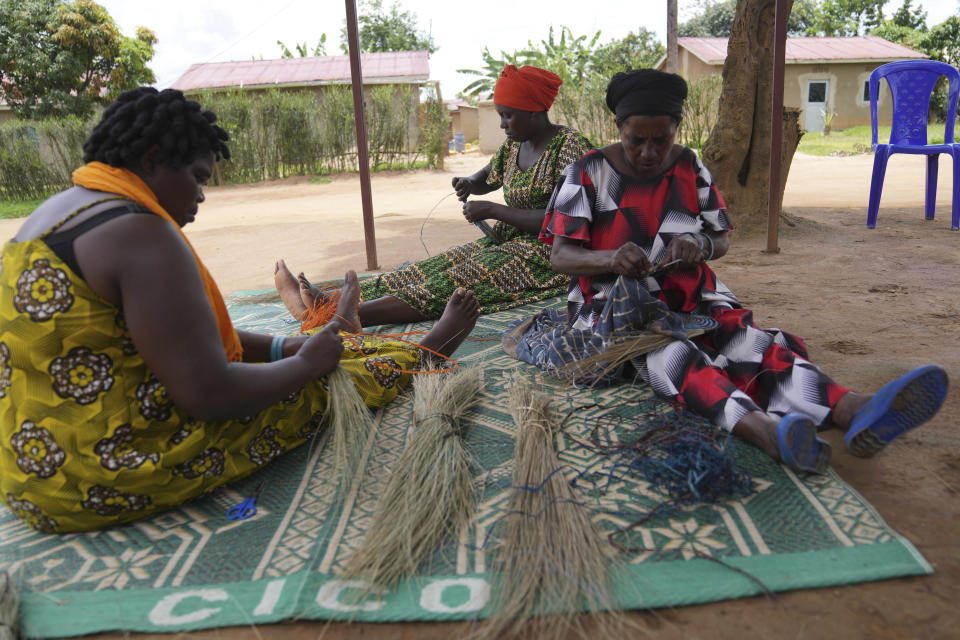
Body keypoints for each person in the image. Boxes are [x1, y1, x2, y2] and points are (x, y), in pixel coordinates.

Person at [0, 87, 480, 533]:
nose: (202, 196)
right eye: (197, 178)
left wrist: (283, 345)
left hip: (30, 472)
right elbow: (210, 395)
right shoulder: (141, 234)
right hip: (103, 474)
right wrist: (302, 366)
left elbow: (169, 338)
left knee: (305, 354)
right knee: (322, 386)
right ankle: (426, 351)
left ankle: (337, 331)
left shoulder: (57, 212)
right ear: (151, 160)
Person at [526, 69, 948, 473]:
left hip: (689, 295)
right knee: (671, 353)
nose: (649, 152)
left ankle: (853, 408)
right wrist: (609, 259)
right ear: (618, 129)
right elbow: (560, 256)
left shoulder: (689, 167)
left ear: (677, 127)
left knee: (749, 342)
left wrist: (701, 244)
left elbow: (721, 238)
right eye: (637, 140)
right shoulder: (588, 172)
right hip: (613, 308)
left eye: (662, 139)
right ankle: (765, 431)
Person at [274, 64, 593, 328]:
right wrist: (469, 183)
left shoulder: (570, 148)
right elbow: (487, 176)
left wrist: (494, 210)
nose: (502, 124)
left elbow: (565, 222)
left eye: (508, 115)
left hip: (551, 256)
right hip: (508, 239)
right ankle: (329, 300)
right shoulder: (514, 145)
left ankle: (342, 316)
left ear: (535, 111)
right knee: (432, 267)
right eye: (500, 115)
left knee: (460, 280)